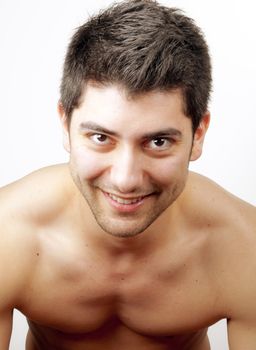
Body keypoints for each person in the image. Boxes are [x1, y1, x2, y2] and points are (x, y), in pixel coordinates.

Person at [0, 0, 255, 349]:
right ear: (65, 124)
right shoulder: (7, 234)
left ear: (198, 135)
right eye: (101, 138)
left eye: (158, 141)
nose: (125, 179)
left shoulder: (245, 247)